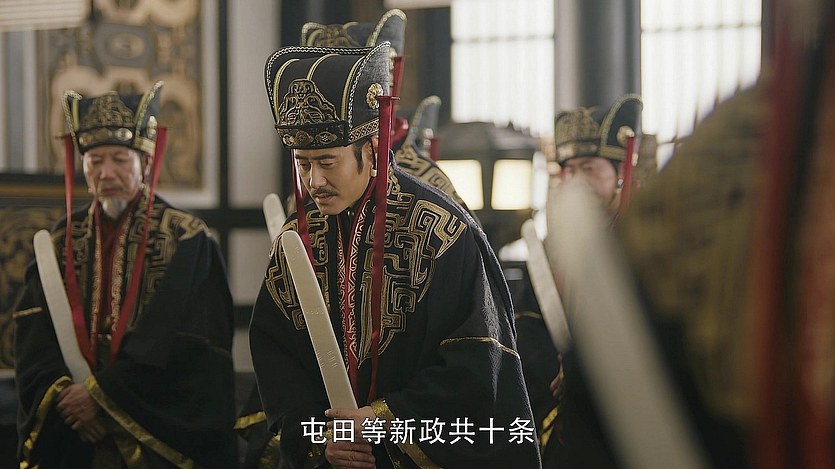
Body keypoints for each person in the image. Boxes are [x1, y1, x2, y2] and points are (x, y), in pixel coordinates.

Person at [250, 43, 541, 468]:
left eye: (327, 162)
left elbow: (475, 365)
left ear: (371, 150)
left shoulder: (440, 230)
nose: (314, 181)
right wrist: (323, 437)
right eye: (303, 163)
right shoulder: (297, 237)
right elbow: (279, 362)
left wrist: (380, 420)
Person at [13, 82, 237, 468]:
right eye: (94, 161)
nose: (106, 173)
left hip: (153, 421)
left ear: (145, 164)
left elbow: (191, 342)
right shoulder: (60, 241)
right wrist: (68, 397)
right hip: (74, 427)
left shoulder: (184, 237)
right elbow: (33, 335)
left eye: (119, 159)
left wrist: (103, 397)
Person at [514, 94, 642, 468]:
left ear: (621, 171)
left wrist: (586, 371)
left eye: (587, 167)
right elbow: (529, 324)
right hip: (561, 410)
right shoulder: (556, 246)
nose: (574, 180)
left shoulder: (646, 243)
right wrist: (556, 370)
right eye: (567, 170)